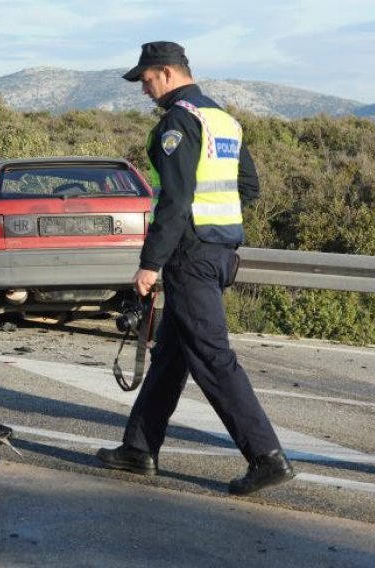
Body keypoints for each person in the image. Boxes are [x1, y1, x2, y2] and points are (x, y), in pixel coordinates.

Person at [97, 41, 295, 495]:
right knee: (170, 353)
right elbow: (248, 186)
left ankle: (266, 456)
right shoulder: (222, 119)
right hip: (220, 251)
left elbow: (176, 199)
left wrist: (151, 264)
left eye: (146, 81)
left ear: (166, 73)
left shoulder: (180, 120)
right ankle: (139, 448)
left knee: (211, 356)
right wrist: (216, 226)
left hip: (192, 257)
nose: (144, 91)